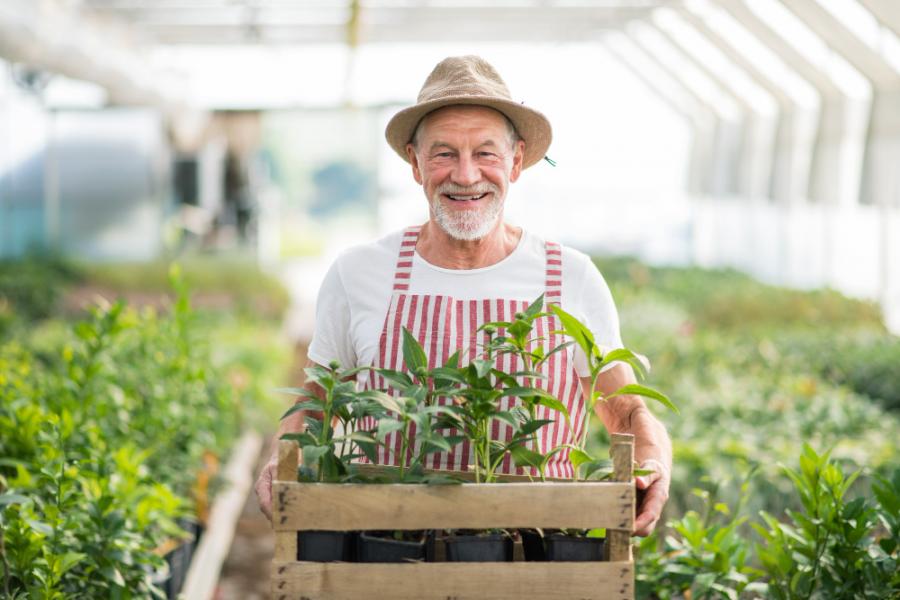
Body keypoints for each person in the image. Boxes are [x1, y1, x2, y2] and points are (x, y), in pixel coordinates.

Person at [255, 55, 672, 536]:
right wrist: (280, 460)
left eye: (486, 154)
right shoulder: (361, 272)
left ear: (516, 162)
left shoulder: (569, 276)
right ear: (414, 163)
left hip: (540, 553)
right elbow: (313, 403)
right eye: (444, 153)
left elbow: (623, 409)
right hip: (388, 551)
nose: (467, 175)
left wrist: (651, 459)